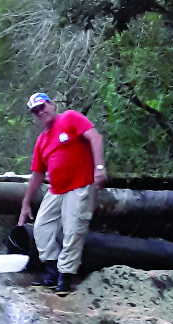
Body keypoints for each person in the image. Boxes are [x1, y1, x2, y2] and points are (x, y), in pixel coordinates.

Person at [18, 93, 106, 295]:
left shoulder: (70, 117)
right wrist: (26, 203)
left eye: (42, 107)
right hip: (56, 189)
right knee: (41, 227)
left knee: (73, 230)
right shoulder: (42, 140)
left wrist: (99, 167)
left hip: (80, 185)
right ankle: (51, 271)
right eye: (36, 111)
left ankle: (65, 277)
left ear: (51, 104)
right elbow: (37, 173)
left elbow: (95, 137)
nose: (41, 112)